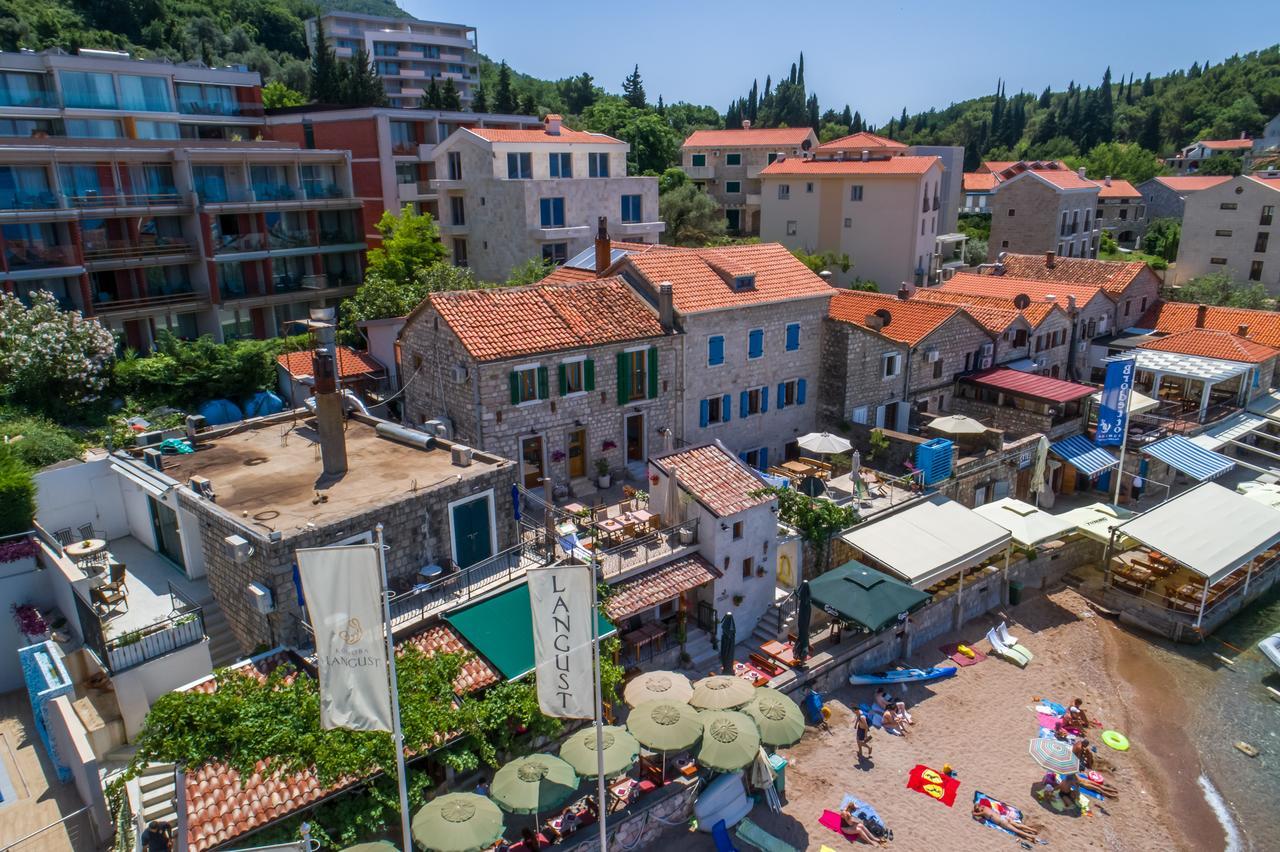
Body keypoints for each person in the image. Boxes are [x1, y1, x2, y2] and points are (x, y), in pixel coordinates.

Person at [973, 802, 1040, 841]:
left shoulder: (983, 812)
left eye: (978, 809)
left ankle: (1031, 837)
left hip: (1002, 822)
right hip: (1004, 817)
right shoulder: (986, 807)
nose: (978, 810)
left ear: (979, 808)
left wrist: (975, 811)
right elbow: (980, 807)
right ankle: (1033, 830)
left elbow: (974, 814)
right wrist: (978, 807)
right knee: (1018, 825)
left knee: (1017, 831)